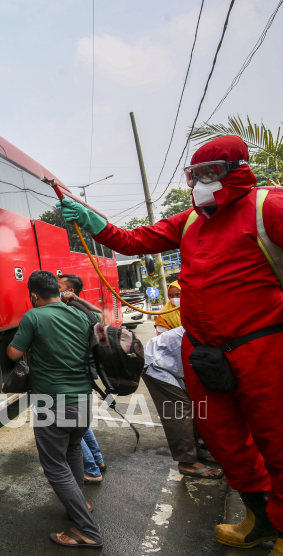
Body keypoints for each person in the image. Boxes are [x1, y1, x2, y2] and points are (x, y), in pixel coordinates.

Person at [59, 135, 283, 552]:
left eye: (209, 174)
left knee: (277, 439)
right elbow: (133, 241)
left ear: (237, 170)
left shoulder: (267, 206)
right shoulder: (190, 221)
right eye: (194, 175)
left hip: (263, 346)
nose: (201, 183)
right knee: (225, 440)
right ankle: (258, 519)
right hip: (202, 352)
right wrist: (96, 223)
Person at [7, 270, 102, 549]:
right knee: (72, 451)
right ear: (58, 292)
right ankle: (79, 504)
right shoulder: (80, 315)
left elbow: (13, 354)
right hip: (83, 400)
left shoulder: (34, 316)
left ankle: (87, 530)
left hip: (52, 403)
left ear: (34, 295)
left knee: (54, 467)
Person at [143, 325, 223, 479]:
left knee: (191, 406)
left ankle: (195, 450)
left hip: (172, 365)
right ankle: (187, 462)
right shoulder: (209, 327)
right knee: (179, 409)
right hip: (156, 363)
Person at [58, 273, 107, 484]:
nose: (55, 288)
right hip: (86, 372)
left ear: (69, 291)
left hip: (73, 373)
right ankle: (98, 460)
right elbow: (100, 314)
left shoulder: (68, 311)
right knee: (81, 423)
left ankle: (91, 470)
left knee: (71, 425)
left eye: (59, 286)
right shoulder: (82, 308)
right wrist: (76, 299)